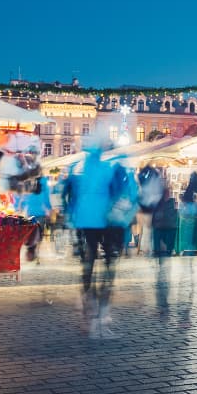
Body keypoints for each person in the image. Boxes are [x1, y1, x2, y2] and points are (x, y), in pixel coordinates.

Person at [69, 136, 123, 339]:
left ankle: (88, 310)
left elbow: (73, 197)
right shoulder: (107, 168)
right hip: (103, 221)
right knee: (108, 268)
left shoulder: (80, 169)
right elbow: (116, 193)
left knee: (89, 266)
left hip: (86, 221)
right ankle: (100, 318)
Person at [150, 173, 179, 314]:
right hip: (165, 228)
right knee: (163, 254)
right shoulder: (167, 202)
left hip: (164, 228)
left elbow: (156, 219)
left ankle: (162, 261)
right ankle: (162, 261)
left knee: (163, 253)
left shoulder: (162, 202)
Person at [16, 176, 52, 263]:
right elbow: (47, 197)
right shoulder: (44, 182)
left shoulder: (28, 181)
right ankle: (37, 254)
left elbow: (23, 197)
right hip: (41, 212)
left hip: (30, 212)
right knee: (39, 234)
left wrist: (21, 207)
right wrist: (49, 209)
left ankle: (31, 252)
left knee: (32, 234)